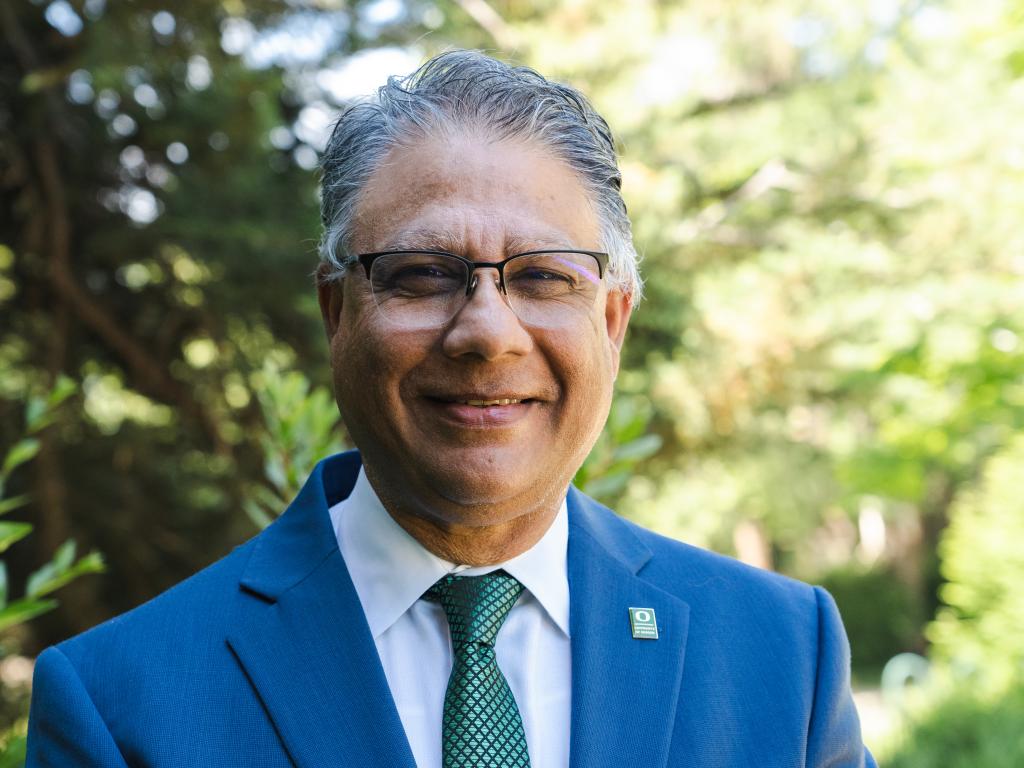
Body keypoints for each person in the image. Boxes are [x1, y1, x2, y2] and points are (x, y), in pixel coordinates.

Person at [26, 50, 875, 768]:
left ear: (612, 322)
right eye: (423, 274)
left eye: (545, 276)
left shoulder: (780, 657)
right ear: (336, 313)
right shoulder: (121, 703)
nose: (487, 334)